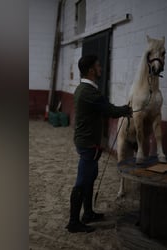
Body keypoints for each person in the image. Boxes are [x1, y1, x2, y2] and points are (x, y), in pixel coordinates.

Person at [66, 55, 132, 233]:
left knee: (90, 176)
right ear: (91, 70)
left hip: (87, 142)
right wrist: (126, 109)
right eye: (98, 66)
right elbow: (111, 110)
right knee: (82, 182)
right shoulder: (89, 92)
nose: (101, 68)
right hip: (88, 144)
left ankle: (87, 213)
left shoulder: (83, 89)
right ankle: (73, 222)